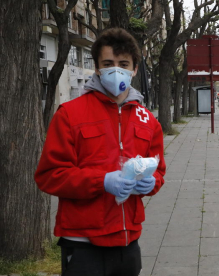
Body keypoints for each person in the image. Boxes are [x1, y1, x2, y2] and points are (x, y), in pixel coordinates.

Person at [35, 28, 166, 276]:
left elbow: (159, 171)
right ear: (97, 68)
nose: (116, 69)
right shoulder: (70, 114)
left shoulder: (147, 120)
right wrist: (102, 181)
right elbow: (49, 175)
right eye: (108, 63)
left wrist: (151, 183)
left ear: (135, 69)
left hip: (128, 243)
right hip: (84, 243)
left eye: (123, 64)